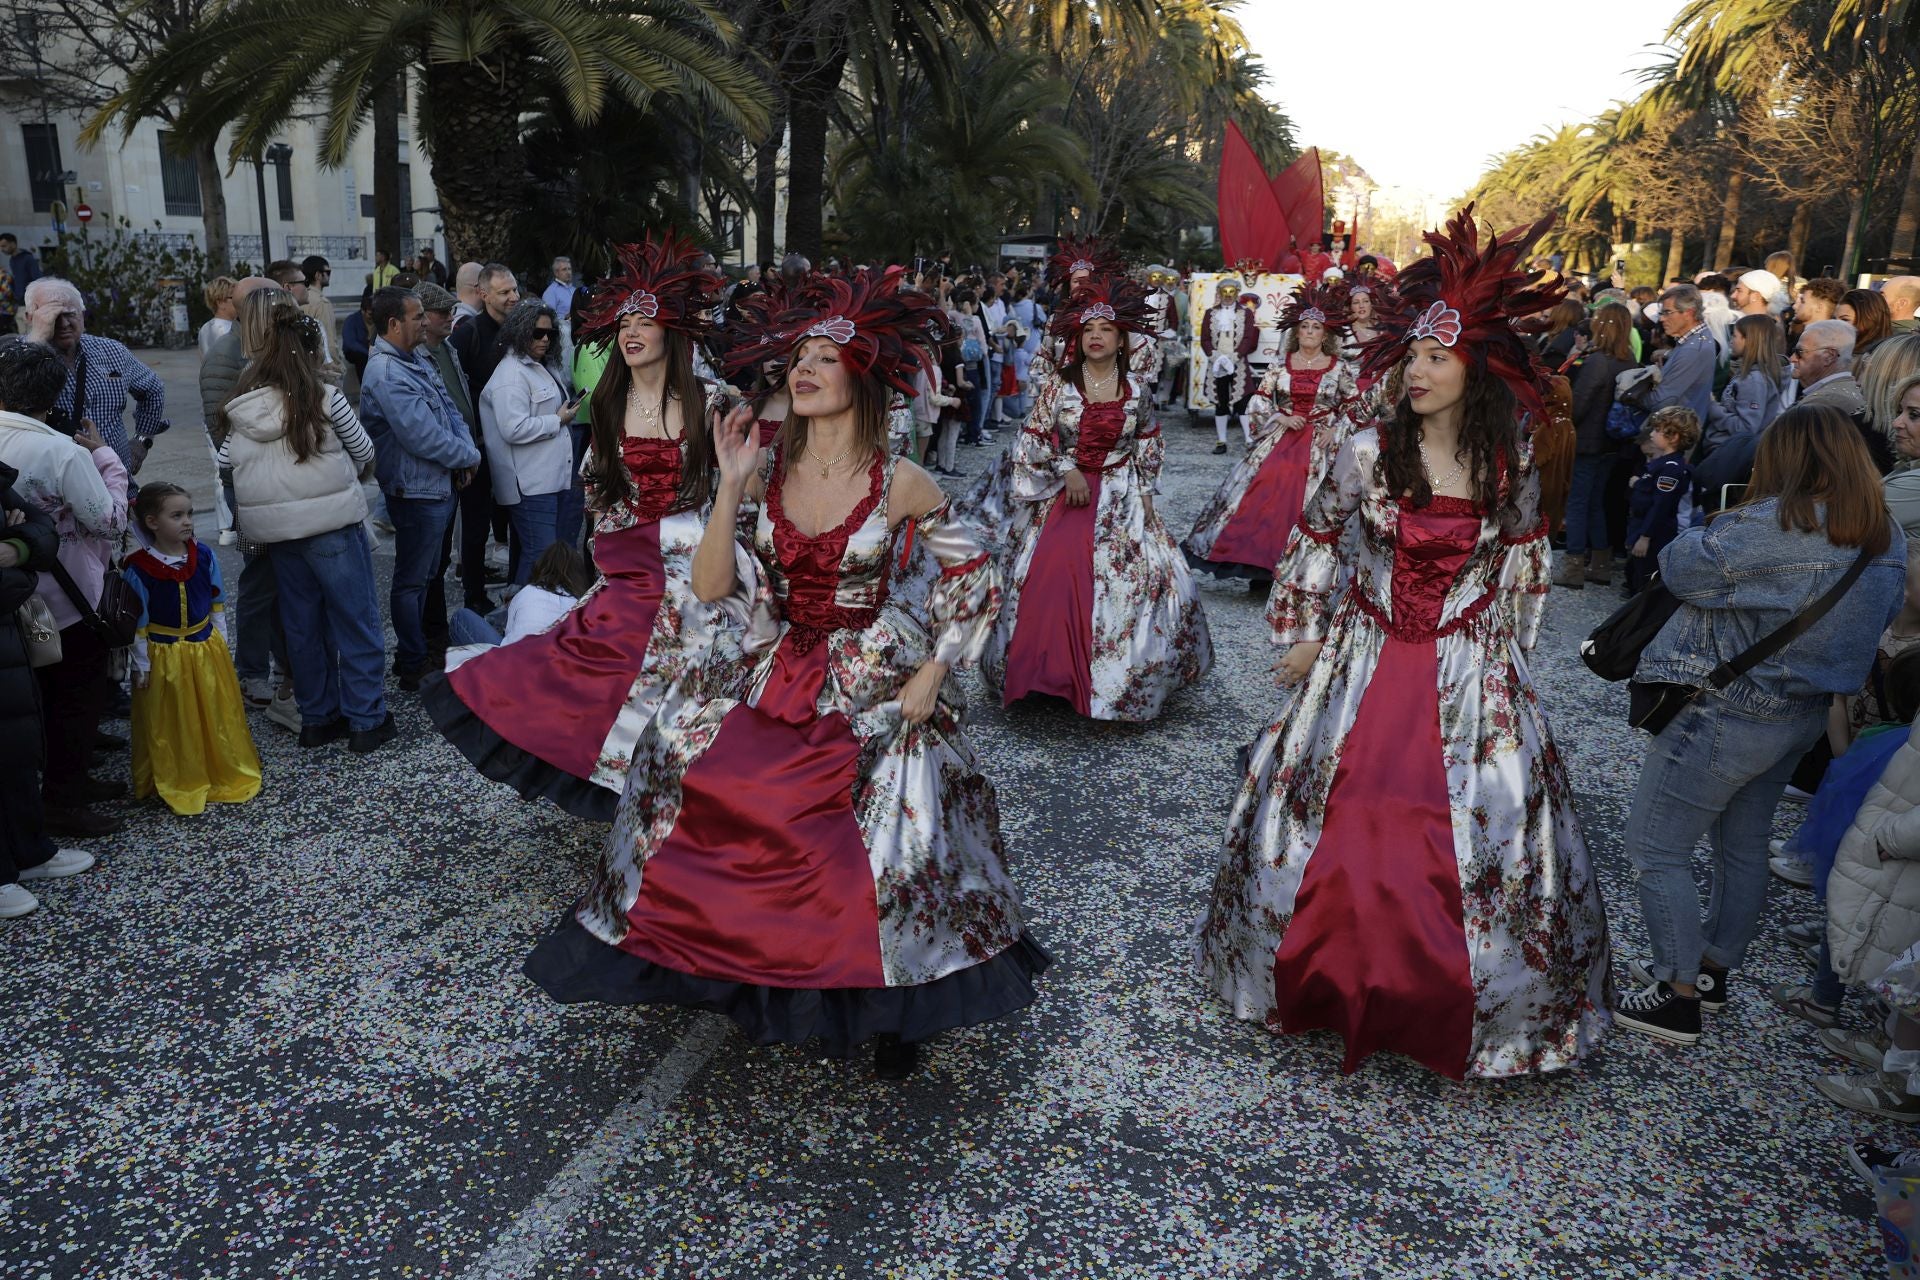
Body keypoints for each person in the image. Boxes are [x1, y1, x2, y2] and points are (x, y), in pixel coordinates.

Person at [526, 267, 1047, 1080]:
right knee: (684, 762)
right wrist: (730, 486)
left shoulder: (901, 480)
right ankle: (733, 954)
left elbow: (973, 573)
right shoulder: (762, 471)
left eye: (823, 359)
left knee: (892, 826)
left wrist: (938, 670)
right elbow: (708, 587)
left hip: (871, 666)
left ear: (862, 378)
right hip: (776, 656)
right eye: (796, 356)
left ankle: (896, 1003)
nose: (802, 370)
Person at [1196, 208, 1610, 1079]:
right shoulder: (1362, 450)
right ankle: (1323, 979)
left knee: (1461, 831)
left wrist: (1509, 665)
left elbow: (1523, 568)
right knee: (1345, 817)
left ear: (1479, 369)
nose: (1417, 371)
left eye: (1437, 357)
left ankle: (1451, 1004)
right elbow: (1314, 539)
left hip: (1470, 672)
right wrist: (1305, 635)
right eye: (1412, 354)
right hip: (1361, 659)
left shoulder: (1512, 463)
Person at [1612, 404, 1907, 1045]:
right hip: (1801, 716)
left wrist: (1738, 514)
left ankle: (1675, 992)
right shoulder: (1886, 534)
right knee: (1741, 847)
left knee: (1656, 847)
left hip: (1727, 710)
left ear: (1787, 458)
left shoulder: (1779, 524)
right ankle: (1712, 972)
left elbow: (1682, 564)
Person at [425, 235, 732, 819]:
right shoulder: (611, 405)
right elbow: (598, 487)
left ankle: (688, 805)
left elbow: (736, 495)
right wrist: (615, 552)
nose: (631, 333)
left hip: (699, 572)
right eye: (624, 324)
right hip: (630, 572)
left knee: (690, 688)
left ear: (672, 331)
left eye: (645, 322)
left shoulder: (708, 401)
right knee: (586, 674)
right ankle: (630, 794)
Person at [982, 276, 1212, 720]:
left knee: (1129, 583)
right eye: (1088, 330)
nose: (1096, 337)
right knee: (1050, 574)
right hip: (1065, 495)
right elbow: (1029, 439)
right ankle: (1044, 678)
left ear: (1122, 340)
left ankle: (1110, 684)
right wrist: (1066, 469)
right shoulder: (1059, 388)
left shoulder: (1137, 391)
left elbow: (1147, 439)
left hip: (1121, 495)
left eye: (1105, 330)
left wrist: (1146, 492)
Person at [215, 291, 394, 755]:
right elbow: (366, 451)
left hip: (279, 537)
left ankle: (317, 718)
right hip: (332, 527)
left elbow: (225, 462)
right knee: (356, 622)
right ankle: (366, 721)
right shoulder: (327, 400)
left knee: (303, 628)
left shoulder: (243, 409)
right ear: (310, 352)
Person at [0, 341, 130, 839]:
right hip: (70, 598)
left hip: (19, 594)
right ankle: (65, 798)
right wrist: (107, 458)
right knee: (76, 698)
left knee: (41, 697)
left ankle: (60, 784)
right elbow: (109, 521)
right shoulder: (62, 451)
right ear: (53, 397)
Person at [1184, 280, 1359, 585]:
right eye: (1304, 327)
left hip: (1321, 444)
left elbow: (1356, 404)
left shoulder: (1338, 369)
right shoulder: (1281, 366)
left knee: (1315, 498)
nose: (1308, 332)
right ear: (1296, 332)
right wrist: (1280, 415)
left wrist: (1336, 428)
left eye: (1315, 328)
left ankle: (1309, 571)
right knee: (1266, 488)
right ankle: (1261, 568)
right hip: (1283, 438)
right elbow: (1260, 399)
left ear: (1325, 334)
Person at [359, 285, 482, 691]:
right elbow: (421, 436)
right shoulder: (386, 371)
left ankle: (420, 650)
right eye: (416, 316)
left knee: (428, 576)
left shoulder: (416, 358)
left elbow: (450, 408)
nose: (424, 321)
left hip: (437, 486)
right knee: (412, 582)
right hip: (415, 492)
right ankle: (412, 661)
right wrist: (467, 458)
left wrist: (465, 451)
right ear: (394, 324)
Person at [122, 482, 262, 814]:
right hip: (165, 654)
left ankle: (218, 766)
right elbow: (138, 623)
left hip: (203, 648)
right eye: (177, 515)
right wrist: (141, 665)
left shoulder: (203, 556)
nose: (187, 521)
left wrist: (221, 643)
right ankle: (179, 773)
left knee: (213, 711)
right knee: (173, 718)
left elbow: (217, 603)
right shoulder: (140, 568)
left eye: (189, 514)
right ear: (152, 522)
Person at [0, 450, 95, 918]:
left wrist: (14, 549)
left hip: (9, 633)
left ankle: (30, 850)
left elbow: (41, 530)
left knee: (18, 747)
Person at [11, 278, 169, 472]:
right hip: (52, 489)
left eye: (70, 314)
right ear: (29, 318)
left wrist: (142, 441)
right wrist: (37, 341)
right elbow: (11, 401)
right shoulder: (12, 356)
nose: (64, 323)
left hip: (116, 482)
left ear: (83, 315)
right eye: (53, 316)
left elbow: (153, 390)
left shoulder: (111, 351)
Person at [479, 299, 582, 580]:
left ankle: (522, 612)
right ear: (520, 332)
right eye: (538, 333)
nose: (545, 339)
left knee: (536, 554)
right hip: (529, 485)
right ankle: (527, 617)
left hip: (546, 480)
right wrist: (558, 420)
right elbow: (513, 428)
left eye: (550, 333)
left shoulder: (538, 366)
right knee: (540, 555)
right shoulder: (511, 375)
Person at [1553, 301, 1638, 589]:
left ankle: (1574, 566)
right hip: (1613, 444)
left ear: (1602, 326)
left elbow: (1579, 404)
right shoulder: (1630, 361)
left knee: (1577, 503)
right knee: (1596, 502)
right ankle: (1600, 564)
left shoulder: (1597, 361)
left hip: (1588, 442)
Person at [450, 263, 520, 613]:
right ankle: (474, 595)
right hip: (478, 445)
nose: (512, 297)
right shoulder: (468, 333)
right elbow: (448, 387)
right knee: (476, 525)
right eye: (504, 292)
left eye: (514, 290)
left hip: (517, 443)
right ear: (483, 294)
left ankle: (519, 589)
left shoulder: (522, 330)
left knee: (518, 519)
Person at [446, 542, 590, 650]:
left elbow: (510, 637)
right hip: (559, 681)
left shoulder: (528, 592)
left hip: (515, 674)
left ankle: (464, 681)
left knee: (461, 616)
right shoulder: (584, 606)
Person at [1792, 319, 1893, 471]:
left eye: (1800, 352)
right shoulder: (1833, 393)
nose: (1793, 358)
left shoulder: (1825, 401)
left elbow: (1788, 454)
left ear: (1829, 356)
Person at [1624, 407, 1700, 593]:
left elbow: (1661, 505)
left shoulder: (1671, 469)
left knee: (1644, 581)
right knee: (1635, 574)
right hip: (1641, 524)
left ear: (1673, 437)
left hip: (1655, 533)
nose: (1652, 434)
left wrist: (1645, 536)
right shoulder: (1661, 464)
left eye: (1657, 430)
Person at [1200, 277, 1258, 455]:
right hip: (1217, 364)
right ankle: (1221, 441)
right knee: (1221, 401)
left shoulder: (1246, 313)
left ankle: (1249, 439)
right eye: (1224, 291)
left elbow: (1248, 337)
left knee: (1242, 401)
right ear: (1219, 292)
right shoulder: (1210, 313)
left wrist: (1235, 355)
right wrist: (1214, 356)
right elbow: (1205, 339)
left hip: (1238, 362)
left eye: (1231, 291)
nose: (1227, 295)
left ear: (1237, 293)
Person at [1648, 283, 1717, 427]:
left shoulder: (1693, 349)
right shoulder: (1697, 338)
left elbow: (1661, 401)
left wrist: (1631, 395)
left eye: (1667, 312)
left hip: (1676, 434)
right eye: (1662, 313)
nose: (1661, 319)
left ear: (1689, 313)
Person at [1841, 287, 1895, 371]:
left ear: (1869, 319)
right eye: (1833, 318)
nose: (1835, 324)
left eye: (1844, 319)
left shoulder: (1873, 362)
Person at [199, 277, 238, 357]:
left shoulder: (205, 328)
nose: (239, 301)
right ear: (220, 303)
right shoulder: (229, 331)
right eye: (234, 297)